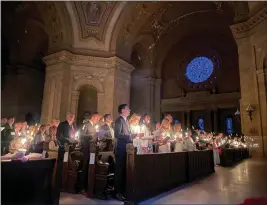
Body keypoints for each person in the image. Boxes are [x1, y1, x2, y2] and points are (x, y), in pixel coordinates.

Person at [114, 104, 143, 201]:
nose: (129, 110)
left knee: (125, 171)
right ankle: (117, 192)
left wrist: (134, 136)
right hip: (121, 149)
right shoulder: (119, 120)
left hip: (127, 149)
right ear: (122, 110)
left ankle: (124, 191)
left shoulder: (126, 121)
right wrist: (130, 136)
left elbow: (128, 134)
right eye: (127, 109)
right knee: (119, 171)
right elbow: (117, 134)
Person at [80, 112, 101, 195]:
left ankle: (89, 186)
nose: (98, 120)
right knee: (85, 167)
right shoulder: (86, 124)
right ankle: (82, 187)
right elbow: (82, 135)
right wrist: (92, 135)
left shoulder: (94, 126)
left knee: (91, 167)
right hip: (86, 148)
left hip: (93, 148)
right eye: (98, 118)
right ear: (94, 117)